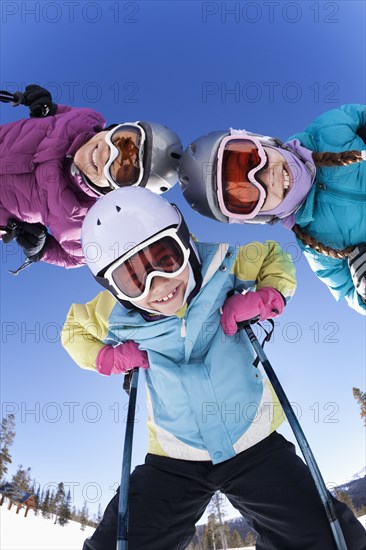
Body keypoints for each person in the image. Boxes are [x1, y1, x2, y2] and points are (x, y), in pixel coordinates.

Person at [61, 187, 365, 550]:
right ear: (114, 287)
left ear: (185, 242)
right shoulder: (114, 312)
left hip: (252, 441)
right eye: (133, 278)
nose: (157, 284)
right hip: (174, 458)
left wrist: (265, 297)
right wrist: (108, 358)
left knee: (331, 540)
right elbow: (73, 331)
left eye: (166, 258)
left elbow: (275, 257)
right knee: (118, 544)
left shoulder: (221, 263)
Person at [178, 104, 366, 315]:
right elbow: (349, 293)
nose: (269, 177)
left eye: (252, 158)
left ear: (263, 141)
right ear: (258, 217)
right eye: (248, 194)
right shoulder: (317, 245)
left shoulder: (327, 130)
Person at [0, 85, 182, 268]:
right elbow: (60, 113)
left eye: (122, 170)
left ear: (119, 190)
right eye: (123, 142)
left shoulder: (80, 222)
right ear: (116, 128)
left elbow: (74, 259)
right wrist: (46, 107)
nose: (105, 154)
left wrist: (42, 249)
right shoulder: (85, 119)